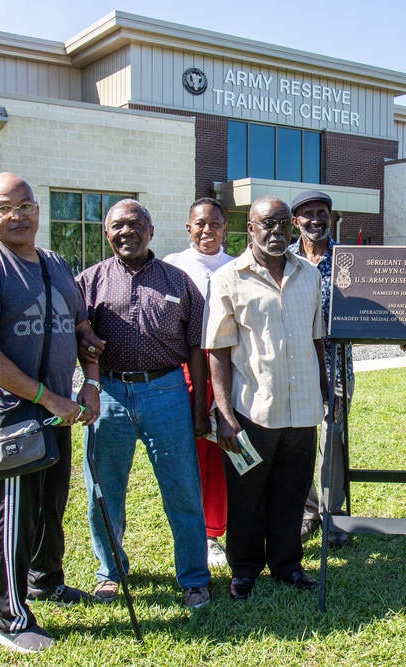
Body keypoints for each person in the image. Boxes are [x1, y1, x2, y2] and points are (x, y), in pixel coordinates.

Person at [0, 172, 101, 654]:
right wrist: (47, 397)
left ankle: (45, 580)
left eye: (26, 206)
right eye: (5, 207)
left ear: (38, 210)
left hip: (59, 410)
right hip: (14, 416)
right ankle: (11, 617)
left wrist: (91, 381)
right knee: (16, 513)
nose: (17, 216)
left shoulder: (56, 264)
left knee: (51, 504)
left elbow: (83, 329)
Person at [76, 199, 212, 609]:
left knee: (183, 488)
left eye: (135, 224)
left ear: (151, 231)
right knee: (103, 490)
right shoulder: (88, 282)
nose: (126, 232)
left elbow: (196, 349)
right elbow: (76, 337)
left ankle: (193, 578)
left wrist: (200, 404)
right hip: (110, 396)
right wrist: (87, 367)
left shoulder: (179, 281)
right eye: (117, 225)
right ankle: (110, 571)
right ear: (107, 233)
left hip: (167, 392)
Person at [203, 195, 328, 601]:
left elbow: (317, 339)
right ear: (250, 229)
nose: (275, 232)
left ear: (291, 227)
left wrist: (326, 391)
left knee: (292, 491)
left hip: (303, 405)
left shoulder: (308, 275)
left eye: (281, 224)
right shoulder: (228, 277)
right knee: (247, 494)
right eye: (265, 224)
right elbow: (218, 350)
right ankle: (244, 569)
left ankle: (287, 563)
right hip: (252, 407)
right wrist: (224, 412)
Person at [163, 197, 235, 569]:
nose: (207, 230)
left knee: (222, 451)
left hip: (228, 367)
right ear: (188, 227)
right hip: (187, 369)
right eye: (200, 224)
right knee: (191, 451)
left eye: (215, 224)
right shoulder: (172, 267)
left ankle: (215, 531)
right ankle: (193, 532)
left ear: (226, 228)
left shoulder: (238, 266)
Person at [288, 190, 354, 548]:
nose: (316, 219)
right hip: (293, 366)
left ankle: (333, 516)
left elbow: (373, 303)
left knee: (332, 440)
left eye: (323, 212)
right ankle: (309, 511)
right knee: (298, 440)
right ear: (295, 220)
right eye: (308, 213)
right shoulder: (283, 259)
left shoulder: (349, 260)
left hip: (337, 366)